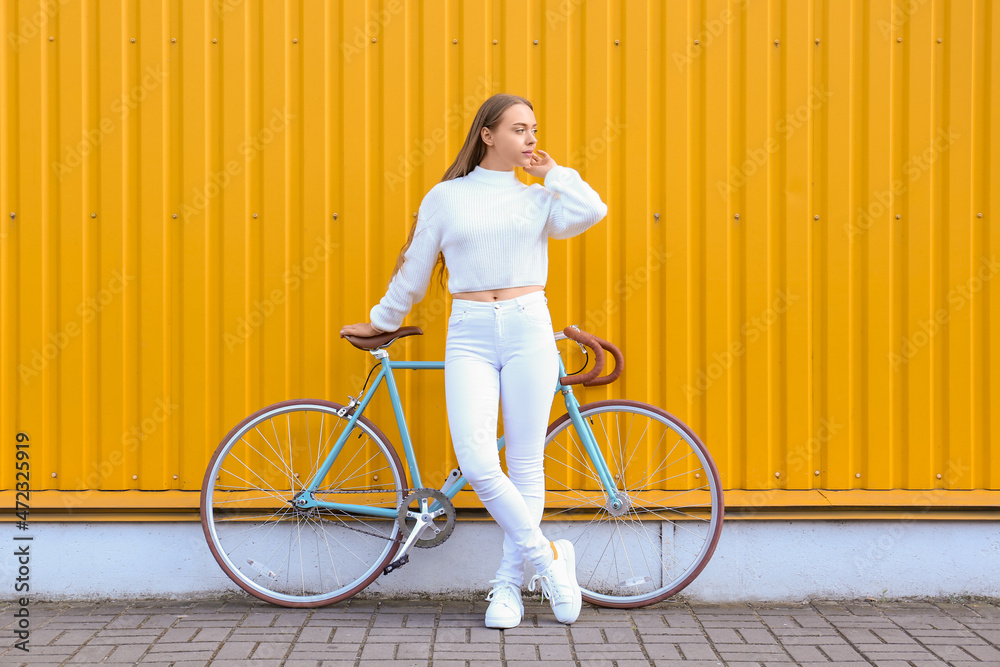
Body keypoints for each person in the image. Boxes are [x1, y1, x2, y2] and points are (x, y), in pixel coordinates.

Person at [340, 93, 608, 628]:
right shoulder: (447, 197)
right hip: (470, 332)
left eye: (534, 129)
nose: (531, 138)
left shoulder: (539, 199)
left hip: (530, 324)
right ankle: (549, 561)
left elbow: (592, 210)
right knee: (481, 462)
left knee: (527, 463)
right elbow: (415, 269)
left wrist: (554, 173)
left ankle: (508, 587)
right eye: (518, 129)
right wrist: (384, 319)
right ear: (487, 134)